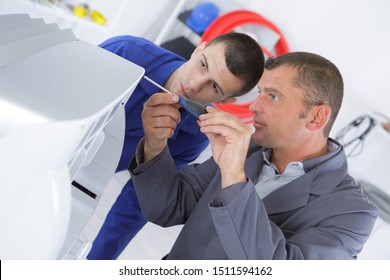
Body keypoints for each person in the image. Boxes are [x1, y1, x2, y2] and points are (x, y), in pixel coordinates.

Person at [129, 51, 378, 259]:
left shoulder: (353, 214)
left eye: (273, 96)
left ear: (316, 117)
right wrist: (155, 143)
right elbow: (168, 207)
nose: (253, 106)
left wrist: (235, 178)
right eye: (260, 93)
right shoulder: (247, 150)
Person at [87, 33, 265, 259]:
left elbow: (135, 204)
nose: (193, 85)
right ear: (198, 50)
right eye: (203, 65)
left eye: (213, 86)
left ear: (225, 102)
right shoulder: (126, 52)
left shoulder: (195, 135)